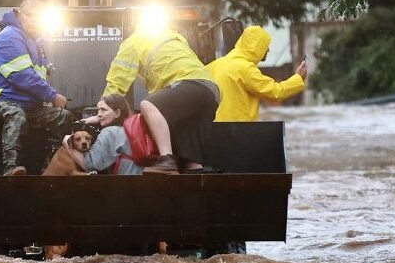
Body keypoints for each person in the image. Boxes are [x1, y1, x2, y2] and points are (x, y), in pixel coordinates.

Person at [103, 23, 220, 174]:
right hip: (210, 90)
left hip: (189, 83)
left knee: (148, 105)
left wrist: (104, 108)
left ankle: (166, 159)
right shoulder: (175, 37)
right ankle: (195, 170)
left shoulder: (133, 42)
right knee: (186, 135)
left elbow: (119, 78)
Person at [0, 0, 73, 175]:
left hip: (27, 106)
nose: (34, 20)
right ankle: (11, 168)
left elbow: (38, 79)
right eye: (29, 15)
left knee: (62, 116)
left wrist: (50, 102)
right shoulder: (10, 37)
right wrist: (53, 96)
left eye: (38, 17)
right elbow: (23, 76)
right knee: (16, 115)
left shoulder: (36, 43)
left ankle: (50, 167)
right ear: (19, 16)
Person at [206, 26, 307, 121]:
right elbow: (275, 92)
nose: (268, 50)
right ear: (257, 47)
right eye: (265, 46)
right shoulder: (245, 68)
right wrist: (299, 78)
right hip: (239, 132)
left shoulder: (214, 65)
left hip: (213, 131)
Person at [63, 94, 144, 175]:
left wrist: (68, 142)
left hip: (120, 184)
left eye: (103, 110)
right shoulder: (128, 130)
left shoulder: (111, 132)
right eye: (98, 110)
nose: (98, 114)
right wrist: (99, 119)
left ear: (117, 113)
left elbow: (90, 164)